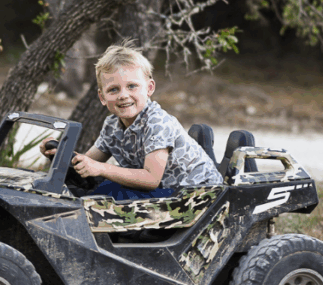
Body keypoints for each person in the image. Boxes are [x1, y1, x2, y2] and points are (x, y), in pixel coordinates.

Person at [41, 41, 222, 200]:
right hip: (163, 189)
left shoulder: (157, 123)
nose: (123, 96)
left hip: (194, 194)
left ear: (149, 88)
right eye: (113, 90)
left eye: (132, 86)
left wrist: (101, 168)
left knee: (111, 193)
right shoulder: (112, 125)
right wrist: (59, 155)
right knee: (100, 187)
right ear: (102, 96)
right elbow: (87, 163)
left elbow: (151, 179)